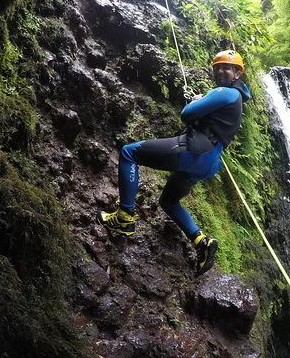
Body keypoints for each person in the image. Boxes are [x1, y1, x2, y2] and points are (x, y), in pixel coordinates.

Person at [97, 50, 251, 275]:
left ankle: (125, 216)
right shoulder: (236, 99)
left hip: (194, 152)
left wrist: (201, 100)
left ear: (237, 73)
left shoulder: (225, 93)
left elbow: (187, 113)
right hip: (208, 162)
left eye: (226, 68)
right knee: (168, 201)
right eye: (217, 67)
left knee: (129, 153)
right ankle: (202, 242)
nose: (220, 71)